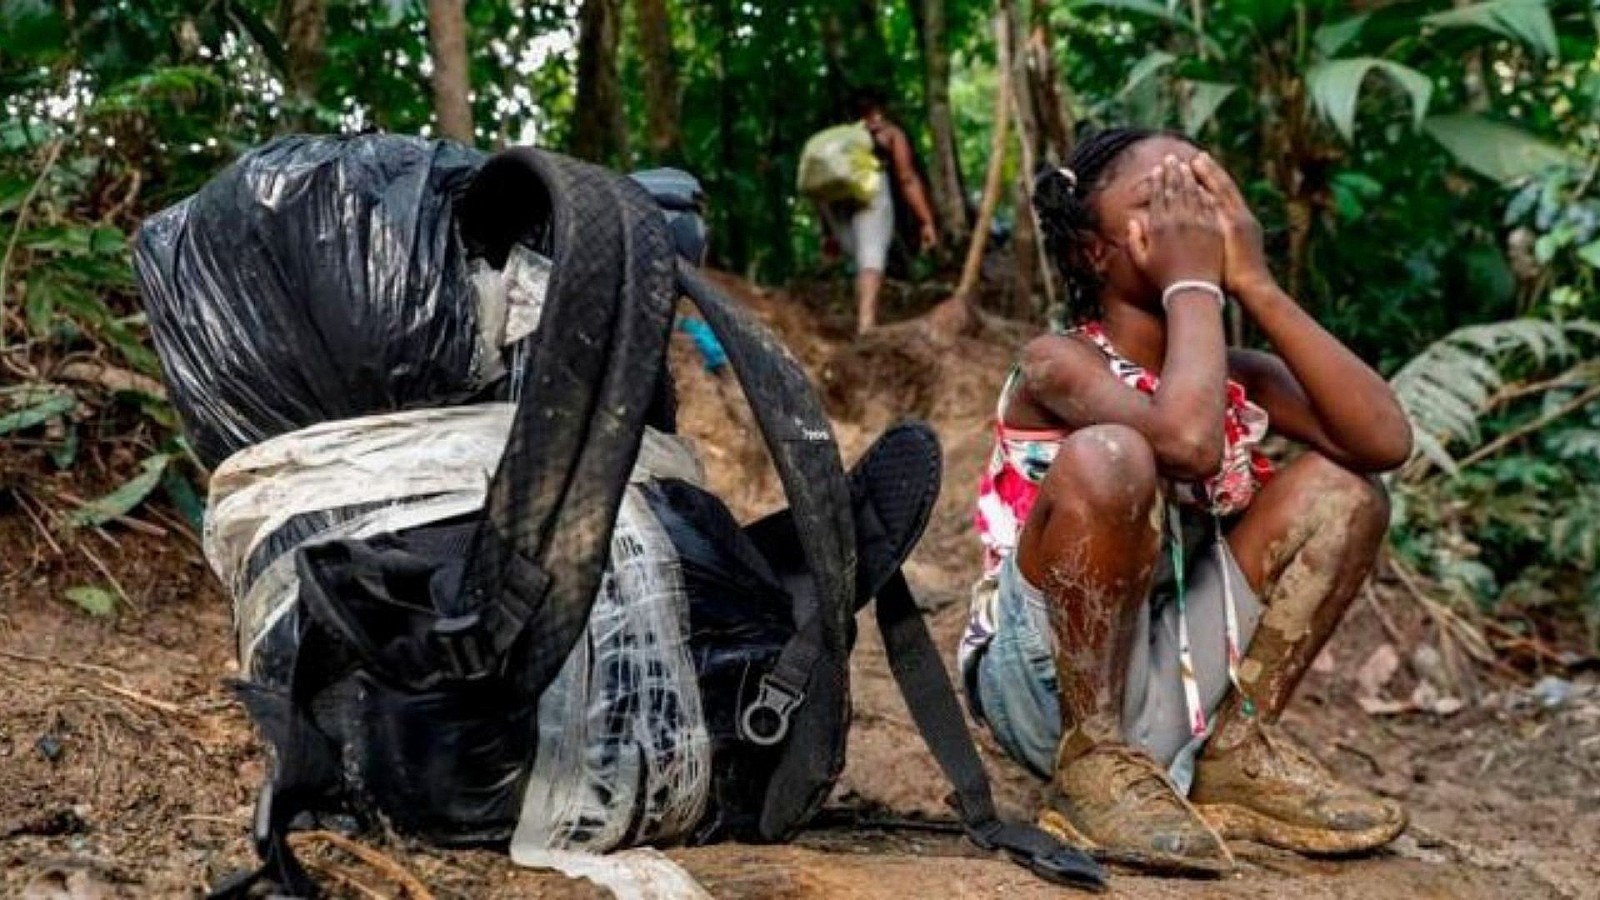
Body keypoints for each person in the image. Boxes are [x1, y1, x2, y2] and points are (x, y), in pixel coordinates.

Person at [957, 127, 1416, 876]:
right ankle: (1092, 765)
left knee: (1345, 491)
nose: (1188, 225)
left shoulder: (1243, 378)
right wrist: (1195, 283)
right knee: (1114, 455)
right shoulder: (1056, 363)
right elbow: (1186, 444)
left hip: (1180, 682)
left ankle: (1234, 751)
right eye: (1158, 204)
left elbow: (1385, 440)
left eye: (1202, 201)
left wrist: (1256, 283)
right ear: (1090, 251)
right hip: (1044, 689)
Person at [817, 87, 938, 335]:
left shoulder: (837, 138)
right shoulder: (887, 133)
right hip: (870, 195)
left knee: (860, 257)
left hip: (835, 205)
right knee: (871, 258)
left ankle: (854, 313)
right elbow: (907, 179)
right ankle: (865, 324)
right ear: (878, 110)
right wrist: (926, 221)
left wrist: (827, 230)